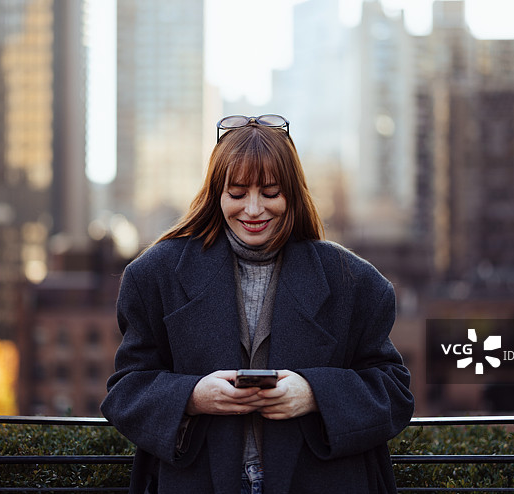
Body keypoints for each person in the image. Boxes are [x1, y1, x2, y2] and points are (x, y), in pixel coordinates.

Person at [101, 114, 414, 494]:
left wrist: (313, 394)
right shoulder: (153, 276)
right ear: (216, 194)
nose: (252, 209)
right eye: (237, 194)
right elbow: (125, 391)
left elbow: (394, 393)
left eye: (270, 193)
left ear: (292, 194)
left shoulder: (357, 283)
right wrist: (193, 397)